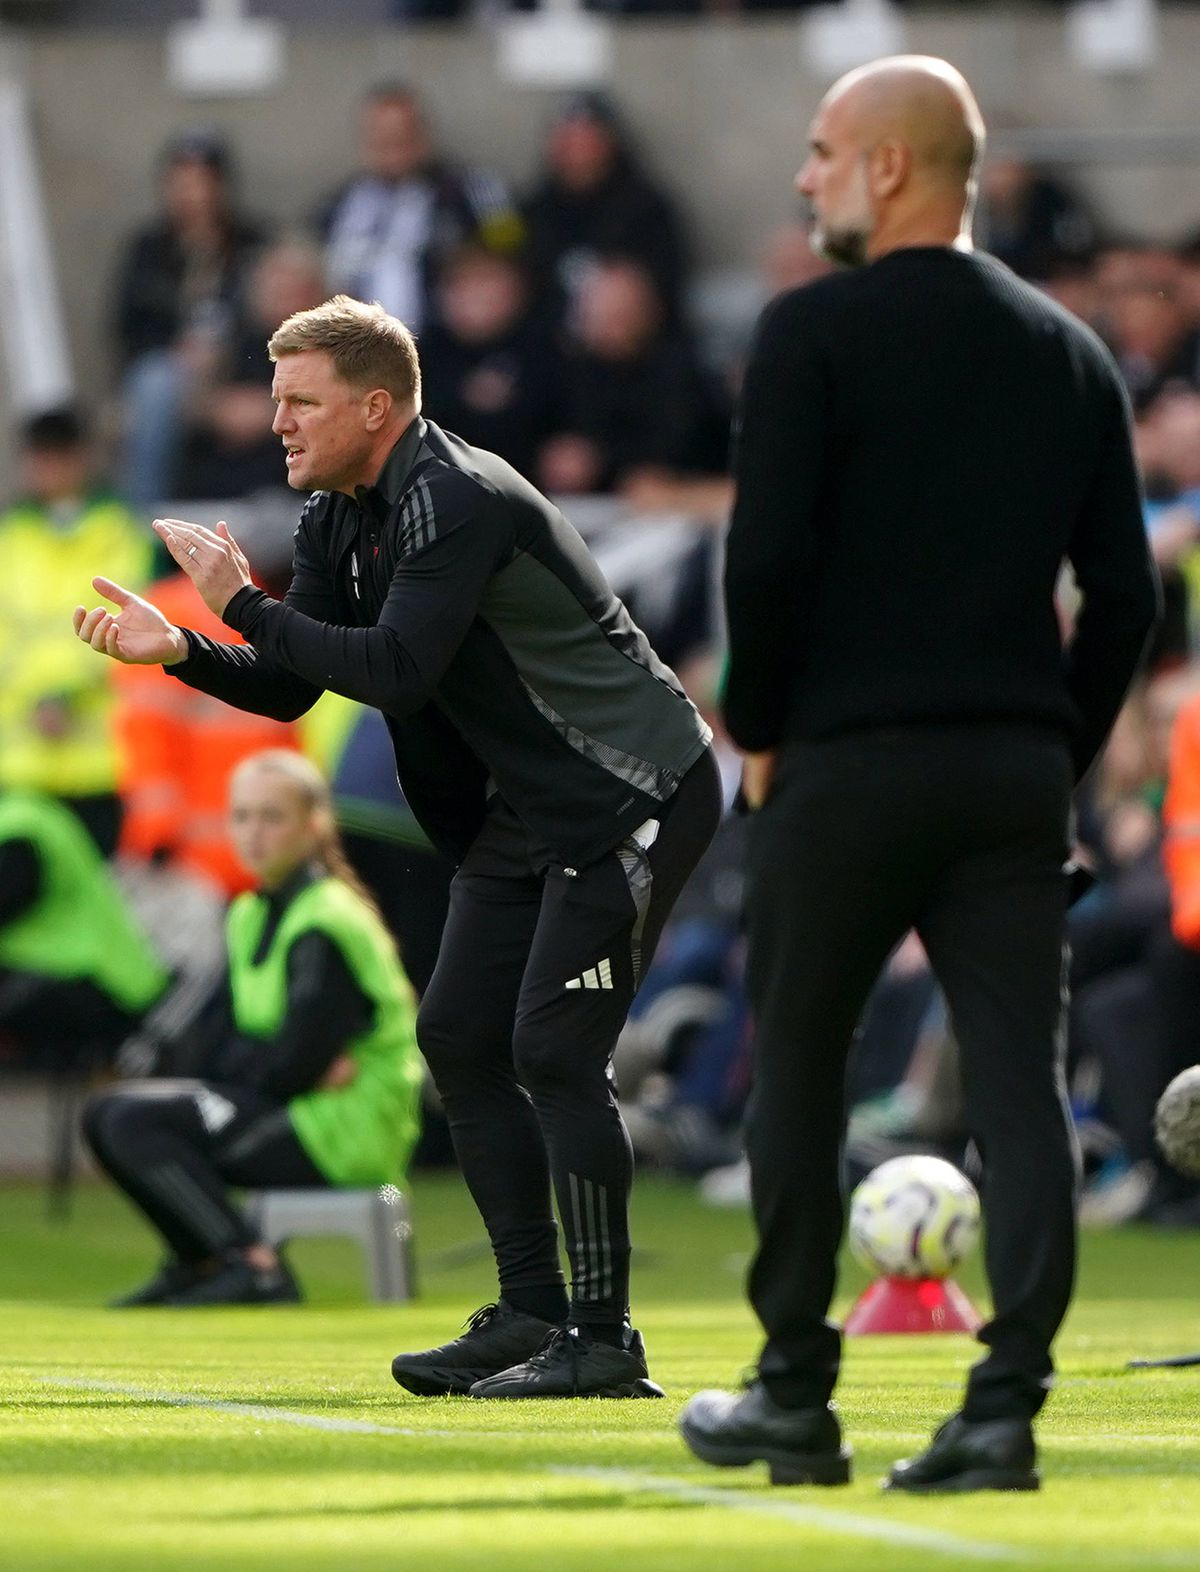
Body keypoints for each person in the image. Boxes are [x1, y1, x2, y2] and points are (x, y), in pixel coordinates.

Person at [74, 295, 720, 1396]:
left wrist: (242, 601)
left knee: (554, 1052)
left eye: (301, 402)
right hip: (528, 808)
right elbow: (293, 684)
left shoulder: (454, 496)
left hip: (631, 792)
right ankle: (530, 1311)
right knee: (461, 1036)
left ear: (377, 407)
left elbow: (393, 671)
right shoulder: (339, 511)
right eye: (276, 399)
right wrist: (182, 643)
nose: (278, 422)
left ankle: (605, 1341)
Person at [677, 56, 1159, 1492]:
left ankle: (794, 1394)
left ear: (890, 169)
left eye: (823, 151)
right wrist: (1049, 751)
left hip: (845, 762)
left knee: (800, 1076)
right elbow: (1125, 601)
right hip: (1010, 770)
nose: (807, 177)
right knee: (1018, 1083)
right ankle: (1003, 1406)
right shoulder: (1072, 353)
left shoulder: (813, 331)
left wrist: (757, 726)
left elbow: (761, 565)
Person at [82, 750, 423, 1308]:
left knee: (129, 1120)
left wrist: (255, 1067)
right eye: (241, 816)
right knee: (108, 1113)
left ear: (314, 826)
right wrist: (256, 1065)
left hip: (346, 1132)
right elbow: (231, 1042)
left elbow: (292, 1060)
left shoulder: (329, 919)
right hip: (295, 1104)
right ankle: (203, 1261)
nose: (253, 833)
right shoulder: (249, 913)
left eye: (272, 817)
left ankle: (252, 1266)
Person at [0, 406, 153, 856]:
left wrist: (64, 694)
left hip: (100, 760)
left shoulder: (121, 533)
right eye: (39, 457)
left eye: (58, 456)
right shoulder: (11, 536)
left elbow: (131, 622)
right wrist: (37, 697)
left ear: (81, 458)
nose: (47, 469)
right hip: (21, 759)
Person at [316, 83, 522, 337]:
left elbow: (515, 255)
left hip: (451, 348)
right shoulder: (339, 206)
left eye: (402, 134)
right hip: (359, 353)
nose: (392, 146)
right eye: (381, 136)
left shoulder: (474, 192)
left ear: (423, 134)